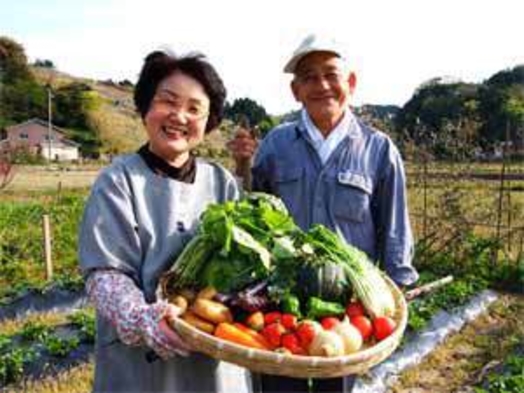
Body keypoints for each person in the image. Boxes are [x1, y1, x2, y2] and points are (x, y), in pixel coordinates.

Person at [230, 34, 419, 393]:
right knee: (277, 387)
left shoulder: (379, 150)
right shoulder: (276, 144)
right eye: (309, 77)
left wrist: (399, 291)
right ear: (295, 90)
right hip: (280, 303)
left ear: (350, 83)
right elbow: (254, 213)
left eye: (331, 74)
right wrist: (242, 166)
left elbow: (394, 228)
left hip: (347, 312)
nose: (322, 86)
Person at [78, 49, 239, 392]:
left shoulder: (222, 182)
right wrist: (143, 318)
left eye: (195, 109)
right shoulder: (118, 180)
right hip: (139, 366)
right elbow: (105, 274)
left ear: (208, 122)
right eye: (168, 101)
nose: (180, 116)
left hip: (214, 358)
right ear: (145, 107)